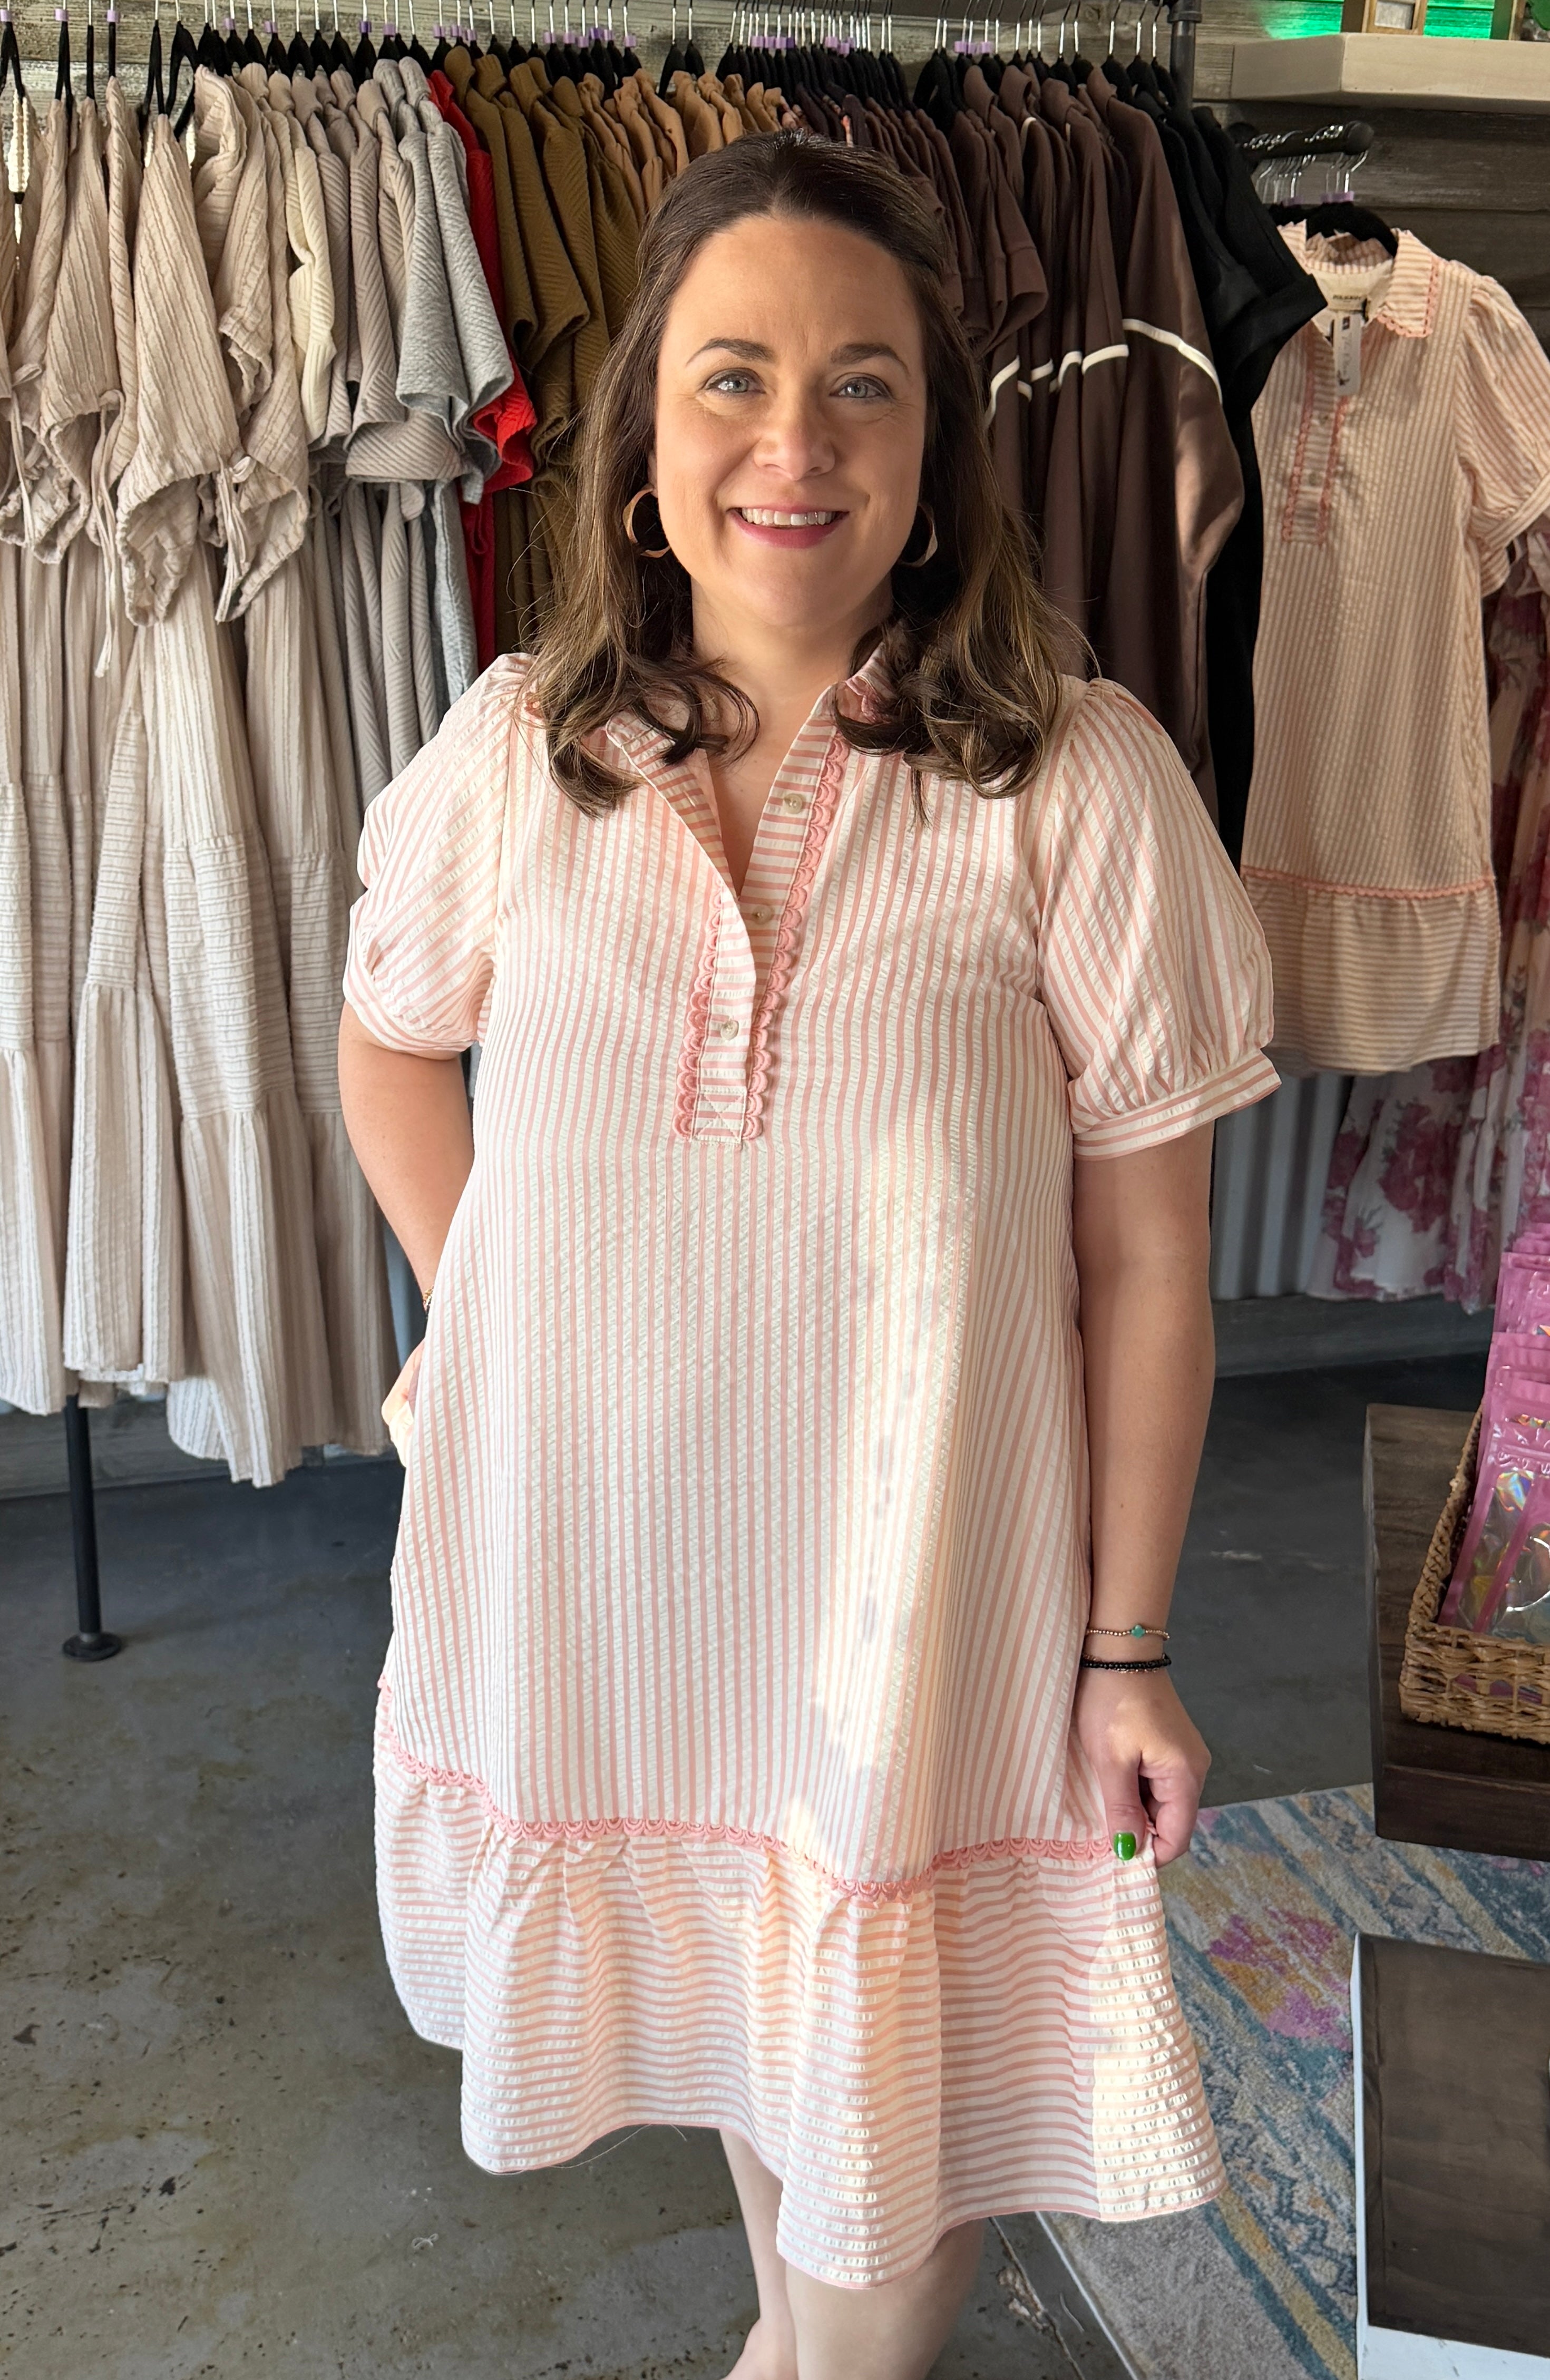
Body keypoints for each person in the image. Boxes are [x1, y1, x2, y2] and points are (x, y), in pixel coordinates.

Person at [338, 133, 1278, 2380]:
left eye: (862, 386)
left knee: (899, 2125)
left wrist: (1126, 1643)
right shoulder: (511, 759)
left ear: (940, 449)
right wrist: (501, 1335)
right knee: (781, 2064)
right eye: (734, 379)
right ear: (643, 443)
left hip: (936, 1592)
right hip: (621, 1592)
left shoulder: (1070, 781)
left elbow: (1153, 1260)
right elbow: (390, 1053)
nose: (794, 441)